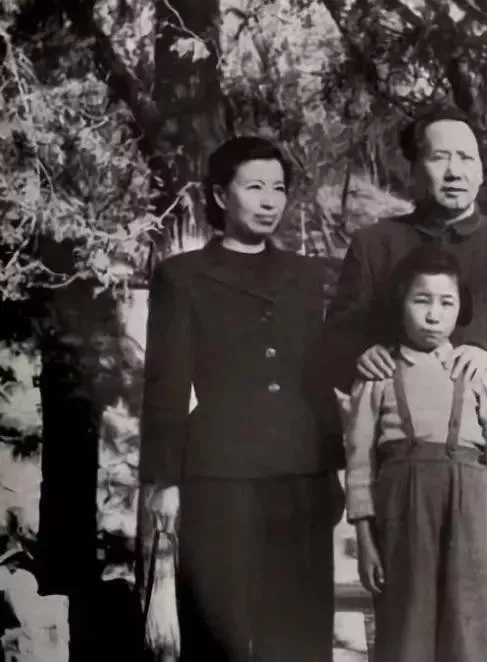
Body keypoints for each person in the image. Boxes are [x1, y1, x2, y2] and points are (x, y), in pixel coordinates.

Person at [319, 105, 487, 662]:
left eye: (468, 158)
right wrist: (362, 355)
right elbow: (336, 337)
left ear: (482, 170)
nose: (456, 170)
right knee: (405, 627)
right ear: (413, 170)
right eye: (440, 158)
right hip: (401, 474)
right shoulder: (376, 245)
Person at [140, 136, 344, 662]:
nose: (269, 201)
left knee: (299, 634)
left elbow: (319, 379)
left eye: (278, 188)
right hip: (218, 476)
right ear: (219, 195)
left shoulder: (308, 276)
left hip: (301, 473)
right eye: (254, 187)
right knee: (218, 632)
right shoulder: (182, 277)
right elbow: (166, 382)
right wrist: (165, 480)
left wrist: (334, 469)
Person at [337, 245, 487, 662]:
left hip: (471, 512)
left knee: (468, 627)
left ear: (460, 308)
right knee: (406, 629)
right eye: (422, 301)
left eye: (446, 302)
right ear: (400, 304)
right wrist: (365, 540)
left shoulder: (478, 373)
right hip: (401, 510)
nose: (434, 315)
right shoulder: (377, 375)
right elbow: (359, 463)